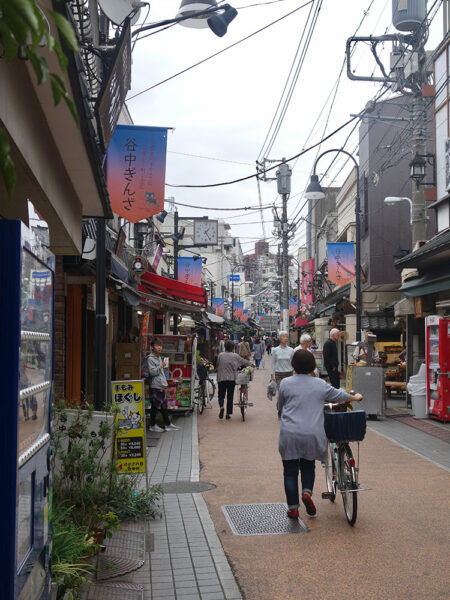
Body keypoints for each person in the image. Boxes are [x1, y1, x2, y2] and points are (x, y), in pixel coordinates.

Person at [278, 349, 363, 519]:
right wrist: (356, 397)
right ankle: (307, 493)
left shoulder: (285, 383)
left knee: (290, 471)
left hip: (290, 433)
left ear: (293, 364)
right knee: (308, 465)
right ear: (312, 365)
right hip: (312, 433)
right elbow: (339, 395)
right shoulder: (319, 384)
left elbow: (280, 406)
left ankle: (293, 508)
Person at [147, 338, 180, 432]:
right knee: (155, 406)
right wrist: (161, 366)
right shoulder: (150, 358)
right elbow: (152, 372)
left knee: (163, 406)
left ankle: (168, 424)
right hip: (155, 386)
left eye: (160, 345)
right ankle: (153, 425)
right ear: (152, 347)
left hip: (160, 385)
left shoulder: (158, 357)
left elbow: (159, 371)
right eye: (157, 345)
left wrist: (163, 367)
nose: (159, 347)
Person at [216, 340, 252, 419]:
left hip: (221, 378)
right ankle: (228, 414)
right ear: (233, 348)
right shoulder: (235, 355)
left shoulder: (220, 355)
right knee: (230, 396)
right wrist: (251, 364)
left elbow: (217, 365)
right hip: (231, 379)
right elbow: (244, 361)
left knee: (221, 395)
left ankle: (221, 407)